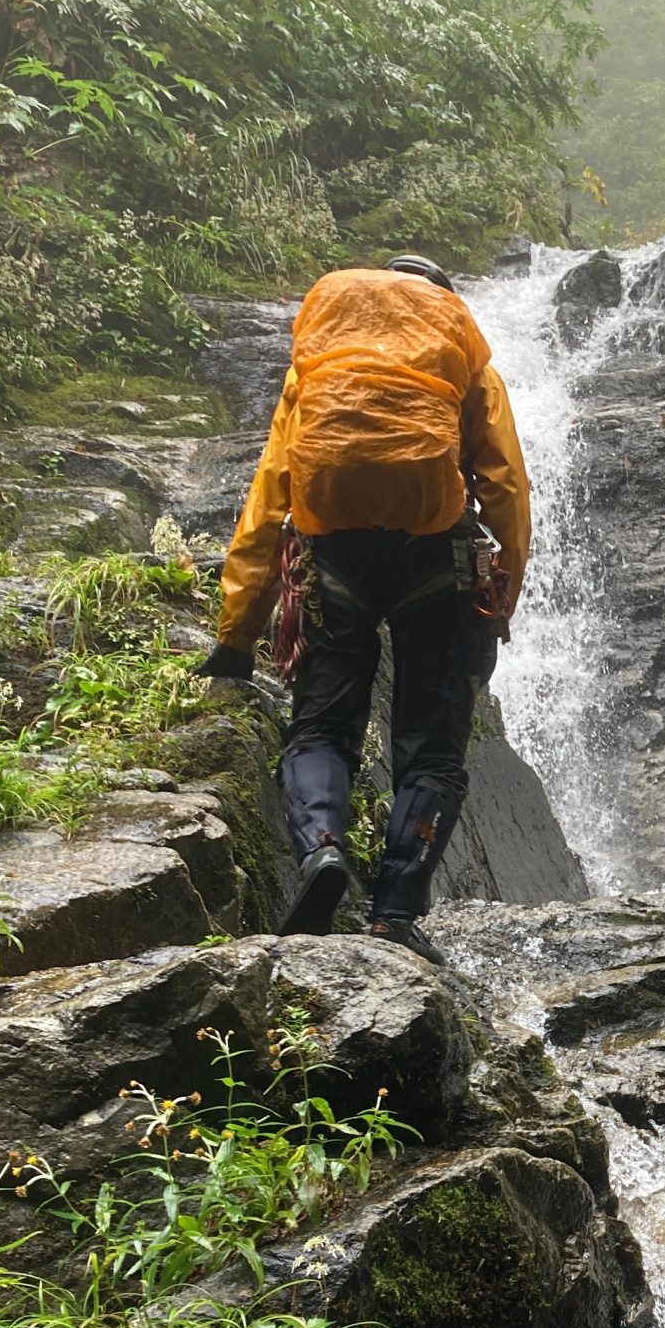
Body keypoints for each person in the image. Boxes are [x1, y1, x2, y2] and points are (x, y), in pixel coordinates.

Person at [201, 255, 531, 963]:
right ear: (443, 301)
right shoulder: (465, 359)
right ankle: (392, 916)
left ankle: (321, 851)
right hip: (435, 560)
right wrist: (501, 595)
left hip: (333, 556)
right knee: (433, 750)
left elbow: (270, 496)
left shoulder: (320, 366)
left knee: (320, 727)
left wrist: (237, 635)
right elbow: (504, 487)